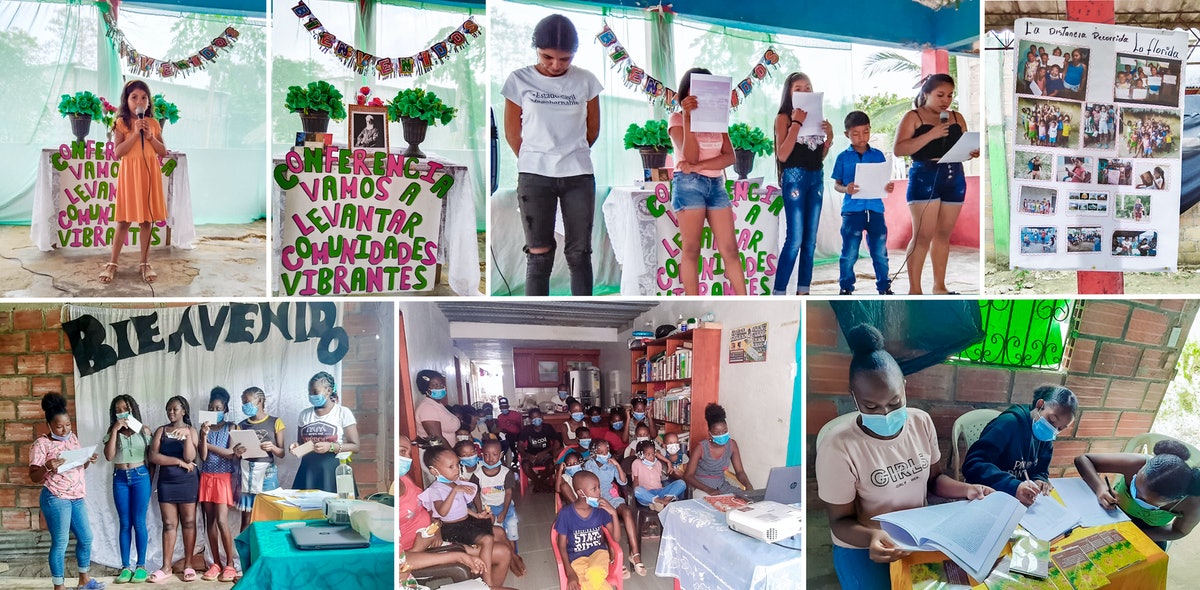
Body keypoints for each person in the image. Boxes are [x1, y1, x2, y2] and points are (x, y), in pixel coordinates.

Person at [815, 325, 992, 589]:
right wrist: (873, 537)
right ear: (854, 398)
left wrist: (968, 490)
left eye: (895, 403)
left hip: (917, 534)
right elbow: (840, 523)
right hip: (863, 544)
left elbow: (933, 481)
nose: (886, 414)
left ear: (904, 388)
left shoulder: (921, 422)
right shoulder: (838, 446)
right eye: (871, 406)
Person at [502, 13, 602, 295]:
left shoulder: (587, 81)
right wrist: (537, 159)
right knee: (539, 254)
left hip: (579, 175)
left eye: (565, 59)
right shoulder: (518, 80)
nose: (556, 65)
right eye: (547, 57)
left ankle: (584, 316)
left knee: (580, 252)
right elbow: (512, 133)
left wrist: (570, 154)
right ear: (536, 48)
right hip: (534, 177)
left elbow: (592, 130)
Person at [892, 73, 979, 295]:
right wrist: (931, 134)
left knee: (943, 234)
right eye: (940, 95)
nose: (946, 100)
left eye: (950, 95)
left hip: (954, 175)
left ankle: (939, 286)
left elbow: (962, 144)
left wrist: (971, 152)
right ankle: (915, 289)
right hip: (925, 176)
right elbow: (900, 149)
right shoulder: (913, 117)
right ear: (926, 93)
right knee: (923, 235)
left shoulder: (957, 117)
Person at [395, 435, 515, 588]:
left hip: (434, 533)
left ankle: (502, 572)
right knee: (500, 549)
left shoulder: (404, 479)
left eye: (408, 453)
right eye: (402, 452)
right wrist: (427, 540)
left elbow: (431, 511)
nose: (408, 459)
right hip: (425, 544)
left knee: (498, 532)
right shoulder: (435, 489)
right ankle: (488, 585)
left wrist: (436, 526)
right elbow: (402, 557)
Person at [668, 67, 746, 296]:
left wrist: (700, 166)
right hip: (688, 184)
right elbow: (689, 156)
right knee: (691, 249)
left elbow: (729, 157)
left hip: (716, 185)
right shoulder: (676, 119)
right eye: (695, 88)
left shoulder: (717, 120)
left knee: (730, 249)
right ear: (686, 92)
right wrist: (687, 117)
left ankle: (743, 298)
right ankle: (691, 303)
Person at [30, 393, 103, 590]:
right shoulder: (41, 444)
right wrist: (47, 466)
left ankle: (84, 580)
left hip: (76, 497)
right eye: (60, 426)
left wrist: (87, 460)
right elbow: (34, 476)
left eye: (68, 425)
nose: (65, 430)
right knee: (60, 542)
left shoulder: (73, 439)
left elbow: (78, 466)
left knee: (86, 538)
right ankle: (59, 587)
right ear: (49, 425)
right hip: (55, 497)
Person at [961, 386, 1078, 506]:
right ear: (1040, 405)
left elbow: (1041, 469)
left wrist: (1040, 480)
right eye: (1052, 420)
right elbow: (973, 464)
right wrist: (1014, 486)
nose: (1052, 429)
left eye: (1060, 428)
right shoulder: (1008, 424)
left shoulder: (1045, 435)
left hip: (1018, 502)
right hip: (987, 496)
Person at [101, 79, 167, 284]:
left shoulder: (154, 124)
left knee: (146, 221)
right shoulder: (121, 123)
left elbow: (162, 151)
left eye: (144, 98)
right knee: (123, 221)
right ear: (126, 100)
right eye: (134, 97)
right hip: (130, 176)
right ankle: (112, 263)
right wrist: (134, 133)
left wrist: (149, 136)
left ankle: (145, 263)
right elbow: (117, 153)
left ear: (148, 102)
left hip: (149, 176)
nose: (139, 101)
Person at [1075, 439, 1200, 547]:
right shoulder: (1137, 463)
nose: (1136, 496)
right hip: (1110, 516)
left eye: (1144, 500)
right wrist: (1100, 488)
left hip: (1150, 535)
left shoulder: (1192, 502)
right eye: (1135, 486)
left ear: (1174, 500)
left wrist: (1136, 535)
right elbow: (1083, 459)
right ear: (1141, 469)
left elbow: (1179, 530)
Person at [773, 72, 834, 295]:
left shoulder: (817, 117)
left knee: (810, 241)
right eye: (798, 88)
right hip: (794, 180)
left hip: (816, 178)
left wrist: (828, 141)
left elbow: (817, 156)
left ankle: (804, 290)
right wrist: (796, 123)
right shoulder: (783, 118)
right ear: (789, 93)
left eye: (808, 87)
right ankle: (779, 292)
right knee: (795, 239)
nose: (804, 91)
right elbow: (783, 154)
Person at [420, 447, 505, 587]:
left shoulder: (456, 483)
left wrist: (476, 514)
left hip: (465, 521)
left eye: (457, 465)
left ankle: (512, 560)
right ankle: (487, 581)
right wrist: (454, 491)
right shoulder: (435, 489)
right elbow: (443, 512)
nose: (456, 470)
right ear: (434, 471)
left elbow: (460, 507)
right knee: (487, 539)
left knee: (496, 528)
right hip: (452, 528)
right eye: (451, 467)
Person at [833, 110, 895, 296]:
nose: (861, 137)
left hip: (876, 210)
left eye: (866, 132)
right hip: (852, 211)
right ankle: (846, 287)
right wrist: (847, 189)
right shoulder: (843, 158)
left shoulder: (878, 156)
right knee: (849, 253)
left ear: (870, 130)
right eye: (856, 134)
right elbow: (837, 185)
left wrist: (888, 187)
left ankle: (884, 287)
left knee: (880, 253)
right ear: (847, 134)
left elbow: (883, 181)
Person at [147, 395, 200, 583]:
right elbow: (153, 456)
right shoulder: (161, 430)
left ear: (184, 411)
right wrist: (177, 462)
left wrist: (186, 437)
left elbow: (190, 458)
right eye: (168, 409)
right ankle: (166, 566)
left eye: (175, 409)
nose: (171, 412)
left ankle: (188, 565)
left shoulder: (191, 430)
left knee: (189, 523)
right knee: (169, 525)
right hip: (167, 482)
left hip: (188, 482)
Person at [103, 394, 154, 584]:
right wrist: (115, 429)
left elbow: (152, 456)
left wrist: (151, 478)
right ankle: (125, 567)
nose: (121, 412)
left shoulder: (143, 430)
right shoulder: (112, 431)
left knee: (139, 522)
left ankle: (141, 566)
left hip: (141, 477)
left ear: (133, 409)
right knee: (125, 523)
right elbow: (109, 456)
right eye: (117, 409)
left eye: (125, 408)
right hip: (120, 479)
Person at [197, 387, 244, 582]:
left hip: (224, 478)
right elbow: (203, 456)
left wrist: (207, 444)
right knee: (211, 522)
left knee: (223, 522)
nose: (214, 410)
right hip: (206, 477)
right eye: (211, 407)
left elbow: (231, 453)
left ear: (225, 410)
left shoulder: (231, 427)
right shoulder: (204, 429)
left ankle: (230, 565)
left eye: (218, 408)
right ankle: (215, 563)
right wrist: (203, 436)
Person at [581, 440, 643, 577]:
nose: (605, 454)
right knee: (608, 518)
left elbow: (623, 482)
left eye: (607, 451)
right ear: (594, 453)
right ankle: (615, 558)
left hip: (611, 496)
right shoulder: (589, 465)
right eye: (601, 452)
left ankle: (635, 554)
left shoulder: (611, 465)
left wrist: (617, 465)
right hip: (596, 497)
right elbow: (587, 485)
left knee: (626, 512)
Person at [290, 371, 359, 492]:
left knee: (334, 508)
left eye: (315, 392)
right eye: (309, 392)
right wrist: (295, 447)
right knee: (306, 509)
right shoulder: (304, 415)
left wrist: (331, 447)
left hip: (333, 470)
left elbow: (355, 446)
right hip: (308, 471)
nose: (312, 395)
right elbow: (301, 444)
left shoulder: (342, 413)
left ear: (328, 391)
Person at [554, 470, 619, 590]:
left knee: (593, 573)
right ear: (580, 492)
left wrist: (613, 513)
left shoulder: (601, 510)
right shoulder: (565, 514)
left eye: (599, 487)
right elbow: (561, 545)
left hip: (599, 553)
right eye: (594, 489)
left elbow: (616, 538)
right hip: (576, 557)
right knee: (590, 579)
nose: (599, 491)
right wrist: (570, 573)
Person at [236, 386, 284, 531]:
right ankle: (244, 553)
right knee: (246, 517)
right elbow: (236, 453)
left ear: (260, 401)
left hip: (267, 475)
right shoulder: (241, 425)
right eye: (243, 402)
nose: (245, 405)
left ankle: (266, 550)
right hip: (246, 474)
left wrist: (272, 448)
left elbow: (281, 453)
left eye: (248, 402)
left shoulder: (276, 422)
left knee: (267, 515)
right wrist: (237, 452)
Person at [683, 403, 752, 498]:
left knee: (744, 501)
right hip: (702, 487)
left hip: (721, 485)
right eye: (717, 433)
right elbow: (688, 476)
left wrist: (748, 485)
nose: (722, 435)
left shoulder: (732, 445)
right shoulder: (701, 448)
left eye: (725, 431)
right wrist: (708, 490)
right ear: (710, 433)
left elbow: (740, 472)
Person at [472, 440, 522, 559]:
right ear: (482, 455)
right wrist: (481, 512)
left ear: (500, 455)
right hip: (488, 509)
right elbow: (476, 495)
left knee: (511, 530)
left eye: (494, 454)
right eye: (486, 454)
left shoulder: (506, 473)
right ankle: (500, 553)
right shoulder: (477, 474)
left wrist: (504, 511)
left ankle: (514, 555)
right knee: (494, 531)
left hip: (506, 506)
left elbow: (509, 493)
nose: (490, 458)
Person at [631, 440, 686, 513]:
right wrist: (635, 492)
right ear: (641, 455)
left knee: (681, 483)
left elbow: (656, 453)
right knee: (637, 490)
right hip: (647, 496)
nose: (652, 457)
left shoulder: (658, 463)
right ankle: (660, 502)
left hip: (659, 492)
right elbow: (635, 480)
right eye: (648, 454)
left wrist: (668, 462)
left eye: (653, 454)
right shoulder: (637, 463)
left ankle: (663, 501)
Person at [518, 408, 562, 492]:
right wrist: (527, 455)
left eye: (538, 417)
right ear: (530, 420)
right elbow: (519, 446)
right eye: (533, 418)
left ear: (542, 417)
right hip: (531, 454)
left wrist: (544, 452)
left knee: (552, 466)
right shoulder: (527, 429)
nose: (536, 420)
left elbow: (556, 443)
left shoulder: (548, 427)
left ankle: (538, 484)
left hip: (546, 454)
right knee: (525, 466)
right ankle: (542, 485)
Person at [415, 369, 459, 448]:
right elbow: (436, 439)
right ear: (426, 388)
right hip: (440, 456)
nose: (440, 387)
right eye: (435, 385)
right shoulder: (427, 408)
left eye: (441, 384)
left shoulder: (437, 404)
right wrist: (452, 456)